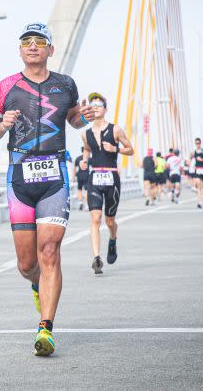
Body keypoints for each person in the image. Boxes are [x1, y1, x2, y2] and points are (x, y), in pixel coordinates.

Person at [0, 22, 98, 357]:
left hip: (54, 175)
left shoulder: (65, 84)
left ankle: (45, 328)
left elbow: (74, 119)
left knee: (49, 252)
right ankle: (36, 284)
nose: (32, 46)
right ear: (20, 50)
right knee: (26, 263)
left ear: (50, 49)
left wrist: (85, 116)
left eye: (39, 41)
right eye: (26, 42)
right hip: (19, 175)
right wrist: (1, 126)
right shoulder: (6, 86)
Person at [81, 92, 133, 274]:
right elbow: (87, 150)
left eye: (99, 104)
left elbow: (131, 149)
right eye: (92, 104)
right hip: (94, 178)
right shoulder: (85, 134)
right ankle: (96, 258)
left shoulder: (115, 130)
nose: (95, 107)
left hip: (112, 179)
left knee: (109, 221)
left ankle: (113, 239)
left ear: (105, 109)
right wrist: (84, 160)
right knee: (95, 218)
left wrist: (116, 149)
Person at [189, 138, 203, 209]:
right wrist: (190, 164)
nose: (197, 144)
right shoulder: (193, 152)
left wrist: (202, 160)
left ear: (200, 143)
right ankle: (199, 202)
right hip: (197, 170)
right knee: (199, 186)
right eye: (196, 143)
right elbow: (189, 159)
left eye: (198, 143)